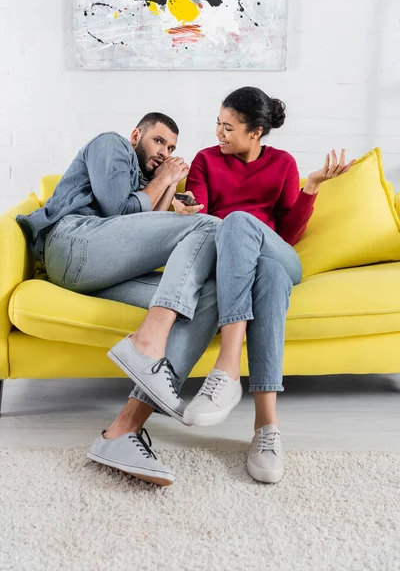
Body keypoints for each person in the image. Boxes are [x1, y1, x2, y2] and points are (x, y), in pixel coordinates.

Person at [135, 88, 355, 484]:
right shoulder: (205, 160)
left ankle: (228, 369)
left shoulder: (283, 164)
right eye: (218, 124)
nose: (219, 133)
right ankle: (266, 428)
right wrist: (186, 210)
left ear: (255, 132)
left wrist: (312, 187)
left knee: (240, 224)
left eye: (228, 127)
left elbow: (287, 233)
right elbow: (199, 209)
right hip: (237, 266)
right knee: (258, 267)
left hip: (278, 255)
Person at [16, 113, 221, 486]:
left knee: (208, 297)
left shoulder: (148, 180)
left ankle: (123, 431)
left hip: (103, 270)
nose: (165, 152)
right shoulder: (111, 145)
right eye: (159, 142)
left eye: (172, 148)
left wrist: (170, 188)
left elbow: (147, 235)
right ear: (136, 134)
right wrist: (163, 180)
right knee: (211, 226)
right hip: (73, 243)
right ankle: (146, 343)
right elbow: (117, 212)